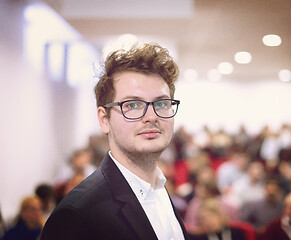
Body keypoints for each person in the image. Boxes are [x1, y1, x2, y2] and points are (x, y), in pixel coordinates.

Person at [41, 43, 189, 240]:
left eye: (161, 103)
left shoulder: (160, 189)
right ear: (104, 120)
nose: (152, 116)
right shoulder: (76, 215)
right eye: (134, 105)